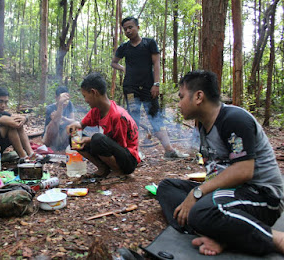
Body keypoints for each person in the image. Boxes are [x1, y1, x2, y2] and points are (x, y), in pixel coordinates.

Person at [156, 70, 284, 256]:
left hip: (261, 196)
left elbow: (244, 171)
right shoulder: (203, 126)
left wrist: (197, 192)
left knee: (200, 210)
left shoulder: (234, 119)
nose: (179, 104)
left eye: (181, 97)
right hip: (227, 194)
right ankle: (218, 233)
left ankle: (274, 238)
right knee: (167, 188)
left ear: (199, 96)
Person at [111, 16, 187, 160]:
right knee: (133, 119)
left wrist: (156, 84)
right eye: (125, 29)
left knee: (155, 116)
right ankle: (134, 151)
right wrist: (124, 69)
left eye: (130, 27)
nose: (128, 31)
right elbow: (114, 63)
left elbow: (156, 63)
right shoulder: (124, 47)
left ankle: (169, 150)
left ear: (138, 27)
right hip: (130, 89)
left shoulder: (149, 43)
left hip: (148, 87)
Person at [66, 72, 140, 178]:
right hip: (112, 151)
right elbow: (81, 125)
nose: (85, 100)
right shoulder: (96, 110)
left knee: (97, 139)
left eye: (85, 96)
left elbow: (120, 146)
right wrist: (73, 127)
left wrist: (89, 140)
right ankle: (103, 168)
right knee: (74, 136)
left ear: (93, 92)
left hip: (128, 160)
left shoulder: (117, 115)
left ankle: (118, 172)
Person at [43, 86, 75, 151]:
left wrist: (64, 118)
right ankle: (52, 148)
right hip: (50, 139)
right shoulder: (50, 108)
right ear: (56, 98)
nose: (65, 102)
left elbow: (73, 120)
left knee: (76, 124)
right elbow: (56, 121)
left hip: (63, 135)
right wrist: (60, 104)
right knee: (53, 124)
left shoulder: (69, 105)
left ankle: (75, 148)